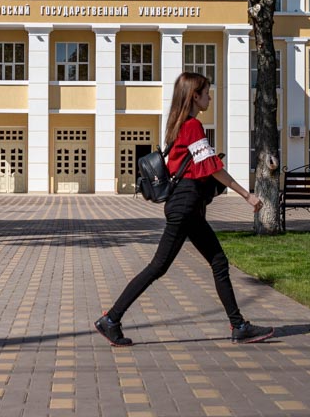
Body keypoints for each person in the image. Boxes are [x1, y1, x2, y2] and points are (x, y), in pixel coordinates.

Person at [95, 72, 274, 346]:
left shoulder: (179, 125)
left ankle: (238, 325)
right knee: (159, 266)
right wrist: (246, 195)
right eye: (206, 93)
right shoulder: (192, 126)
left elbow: (202, 166)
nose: (209, 97)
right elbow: (213, 168)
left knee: (214, 262)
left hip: (186, 205)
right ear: (194, 96)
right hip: (186, 205)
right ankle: (111, 319)